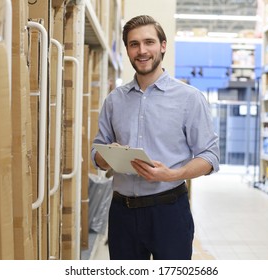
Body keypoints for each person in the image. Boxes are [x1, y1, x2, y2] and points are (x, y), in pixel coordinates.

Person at [91, 15, 220, 260]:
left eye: (149, 42)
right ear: (127, 50)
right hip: (122, 213)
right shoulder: (114, 100)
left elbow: (210, 156)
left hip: (169, 212)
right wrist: (108, 157)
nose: (142, 51)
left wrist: (173, 174)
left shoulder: (189, 98)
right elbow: (96, 154)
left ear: (162, 45)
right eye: (134, 44)